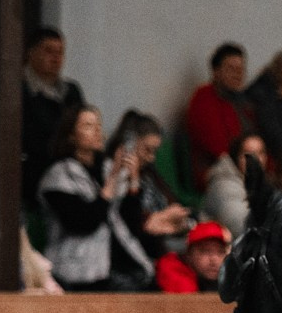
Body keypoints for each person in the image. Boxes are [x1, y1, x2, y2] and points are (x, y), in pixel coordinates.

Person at [37, 105, 155, 291]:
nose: (97, 130)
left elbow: (131, 224)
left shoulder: (108, 168)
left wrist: (133, 182)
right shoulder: (58, 176)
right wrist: (111, 183)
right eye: (88, 125)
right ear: (71, 135)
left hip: (117, 266)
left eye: (99, 124)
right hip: (76, 271)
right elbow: (84, 222)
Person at [106, 111, 193, 263]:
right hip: (134, 257)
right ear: (129, 146)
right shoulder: (112, 175)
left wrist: (178, 221)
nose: (151, 157)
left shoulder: (149, 173)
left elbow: (175, 205)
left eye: (154, 151)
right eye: (147, 150)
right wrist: (154, 220)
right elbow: (126, 224)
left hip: (163, 246)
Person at [20, 26, 86, 205]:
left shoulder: (71, 91)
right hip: (35, 173)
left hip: (71, 170)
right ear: (30, 53)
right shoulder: (20, 91)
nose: (56, 58)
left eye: (60, 52)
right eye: (48, 51)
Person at [185, 43, 253, 190]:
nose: (237, 75)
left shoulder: (244, 101)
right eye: (231, 69)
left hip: (248, 169)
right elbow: (217, 148)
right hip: (219, 174)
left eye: (241, 69)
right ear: (216, 71)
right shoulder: (203, 99)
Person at [202, 133, 268, 236]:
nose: (256, 160)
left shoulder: (263, 182)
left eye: (261, 153)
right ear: (236, 157)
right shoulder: (223, 186)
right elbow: (242, 227)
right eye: (248, 154)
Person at [155, 220, 232, 294]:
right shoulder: (172, 269)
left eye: (220, 252)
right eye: (205, 251)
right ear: (189, 255)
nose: (214, 259)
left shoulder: (228, 276)